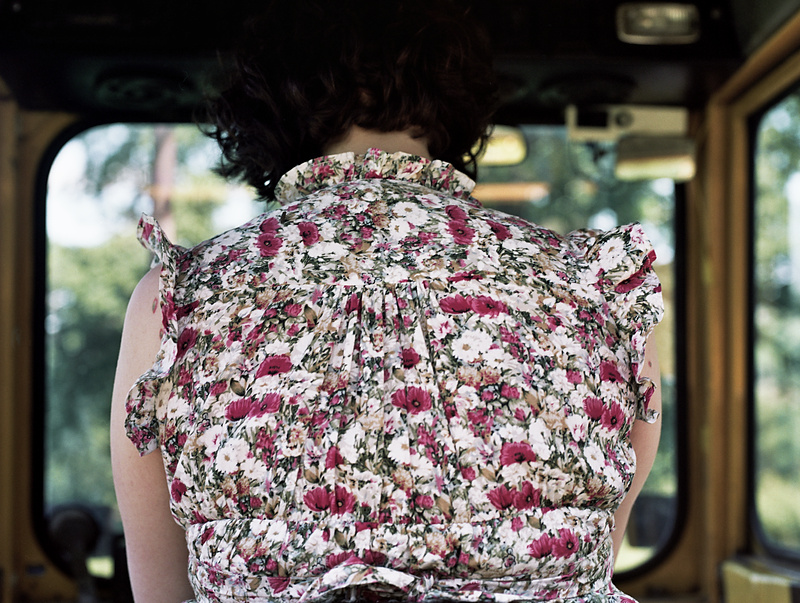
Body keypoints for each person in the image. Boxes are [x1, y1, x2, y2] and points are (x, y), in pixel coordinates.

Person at [110, 1, 664, 602]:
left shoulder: (179, 299)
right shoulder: (601, 289)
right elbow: (590, 569)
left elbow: (162, 592)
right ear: (460, 102)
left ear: (266, 110)